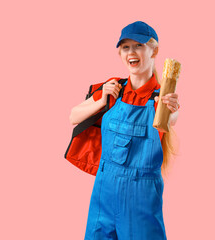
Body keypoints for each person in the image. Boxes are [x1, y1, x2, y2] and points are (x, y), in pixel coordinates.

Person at [69, 21, 180, 240]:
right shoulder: (113, 88)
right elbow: (73, 116)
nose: (131, 52)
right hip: (104, 192)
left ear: (154, 50)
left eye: (138, 45)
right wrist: (101, 100)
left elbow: (171, 119)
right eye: (125, 47)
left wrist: (172, 108)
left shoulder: (161, 98)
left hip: (140, 198)